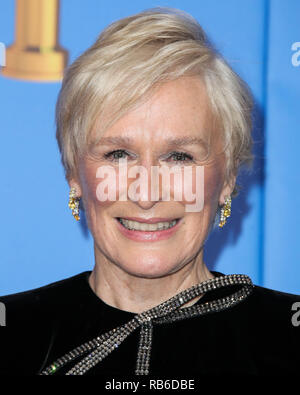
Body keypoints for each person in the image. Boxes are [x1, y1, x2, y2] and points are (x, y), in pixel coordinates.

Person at [0, 7, 299, 376]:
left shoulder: (289, 337)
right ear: (74, 173)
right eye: (119, 154)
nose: (146, 195)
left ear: (226, 180)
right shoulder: (11, 332)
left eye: (178, 156)